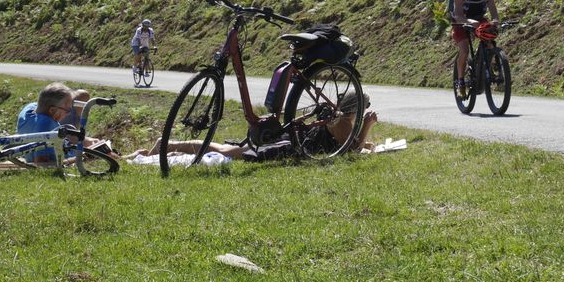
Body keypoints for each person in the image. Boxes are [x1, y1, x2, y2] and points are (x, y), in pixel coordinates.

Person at [125, 91, 378, 161]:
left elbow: (349, 144)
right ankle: (170, 148)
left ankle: (172, 147)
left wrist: (364, 140)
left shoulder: (340, 120)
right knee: (230, 152)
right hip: (288, 145)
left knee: (226, 148)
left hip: (292, 138)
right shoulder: (345, 122)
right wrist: (367, 129)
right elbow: (350, 151)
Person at [451, 0, 500, 99]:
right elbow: (458, 16)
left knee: (489, 41)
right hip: (460, 21)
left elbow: (494, 12)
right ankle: (460, 83)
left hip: (478, 20)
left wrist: (495, 21)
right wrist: (469, 21)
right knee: (465, 50)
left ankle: (488, 68)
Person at [16, 82, 75, 165]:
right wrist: (77, 159)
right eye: (67, 110)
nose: (68, 113)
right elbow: (42, 163)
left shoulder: (29, 108)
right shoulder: (46, 125)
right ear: (52, 110)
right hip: (63, 156)